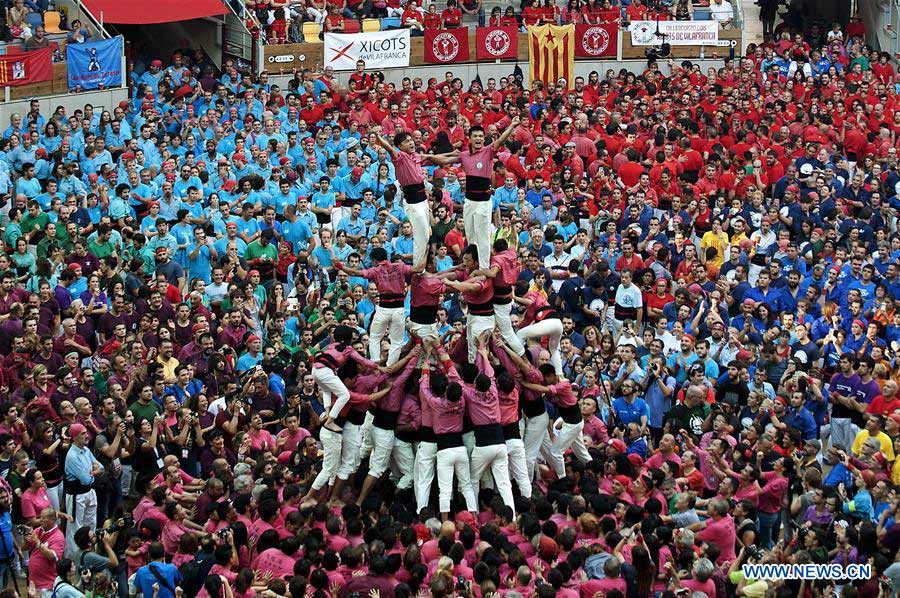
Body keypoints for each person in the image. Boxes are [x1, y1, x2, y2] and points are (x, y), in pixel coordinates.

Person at [63, 423, 103, 558]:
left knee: (91, 523)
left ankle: (90, 554)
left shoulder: (86, 450)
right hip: (77, 495)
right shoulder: (72, 456)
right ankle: (74, 558)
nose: (86, 436)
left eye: (86, 432)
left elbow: (101, 467)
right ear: (74, 437)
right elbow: (85, 479)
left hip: (90, 492)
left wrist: (92, 473)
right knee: (76, 527)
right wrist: (93, 472)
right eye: (82, 434)